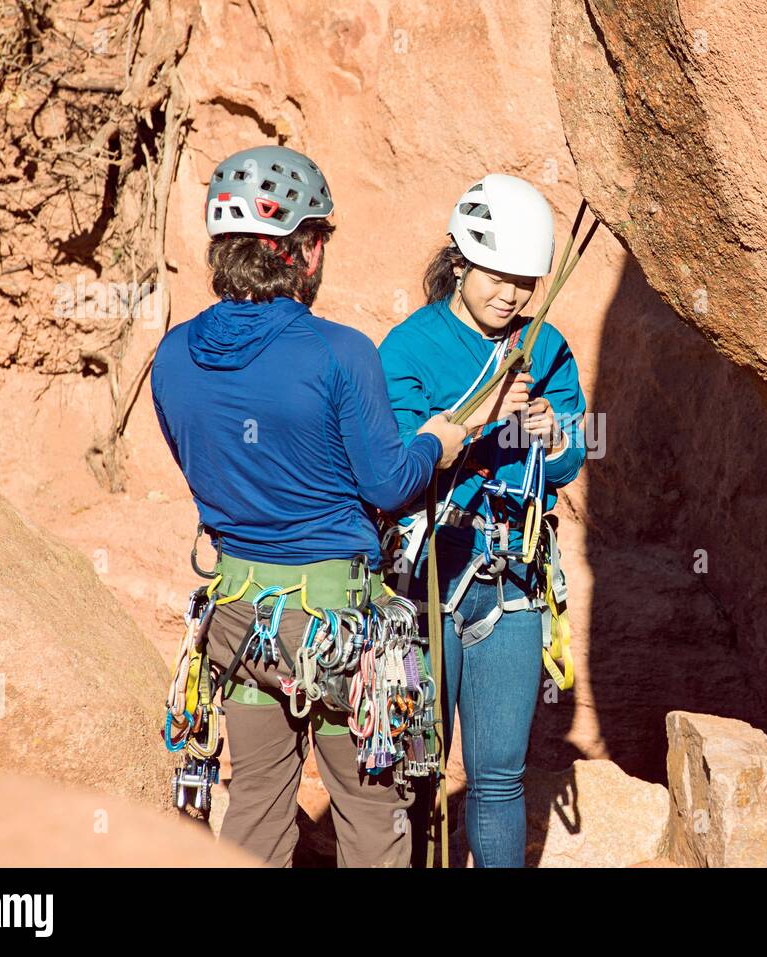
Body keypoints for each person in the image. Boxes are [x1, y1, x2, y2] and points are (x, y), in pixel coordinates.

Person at [150, 145, 518, 867]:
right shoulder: (339, 353)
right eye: (320, 238)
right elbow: (389, 484)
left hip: (238, 626)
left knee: (255, 800)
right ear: (306, 250)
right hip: (337, 633)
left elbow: (201, 463)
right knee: (371, 814)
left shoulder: (172, 354)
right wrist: (438, 443)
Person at [378, 173, 588, 867]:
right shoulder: (407, 348)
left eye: (526, 281)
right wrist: (483, 421)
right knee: (418, 768)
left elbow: (566, 463)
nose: (512, 294)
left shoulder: (545, 344)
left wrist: (553, 437)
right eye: (497, 275)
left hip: (513, 576)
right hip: (429, 572)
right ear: (461, 260)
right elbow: (402, 468)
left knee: (498, 775)